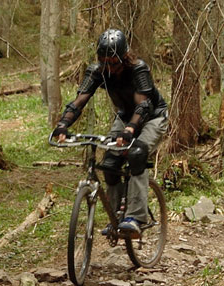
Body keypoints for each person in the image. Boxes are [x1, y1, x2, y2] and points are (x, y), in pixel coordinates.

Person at [51, 29, 169, 239]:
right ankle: (116, 217)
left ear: (124, 57)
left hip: (153, 117)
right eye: (104, 61)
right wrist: (62, 124)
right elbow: (79, 101)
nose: (110, 67)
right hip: (125, 117)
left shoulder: (138, 69)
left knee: (137, 153)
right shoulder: (97, 72)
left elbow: (143, 106)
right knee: (110, 164)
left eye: (114, 62)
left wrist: (130, 130)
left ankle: (135, 217)